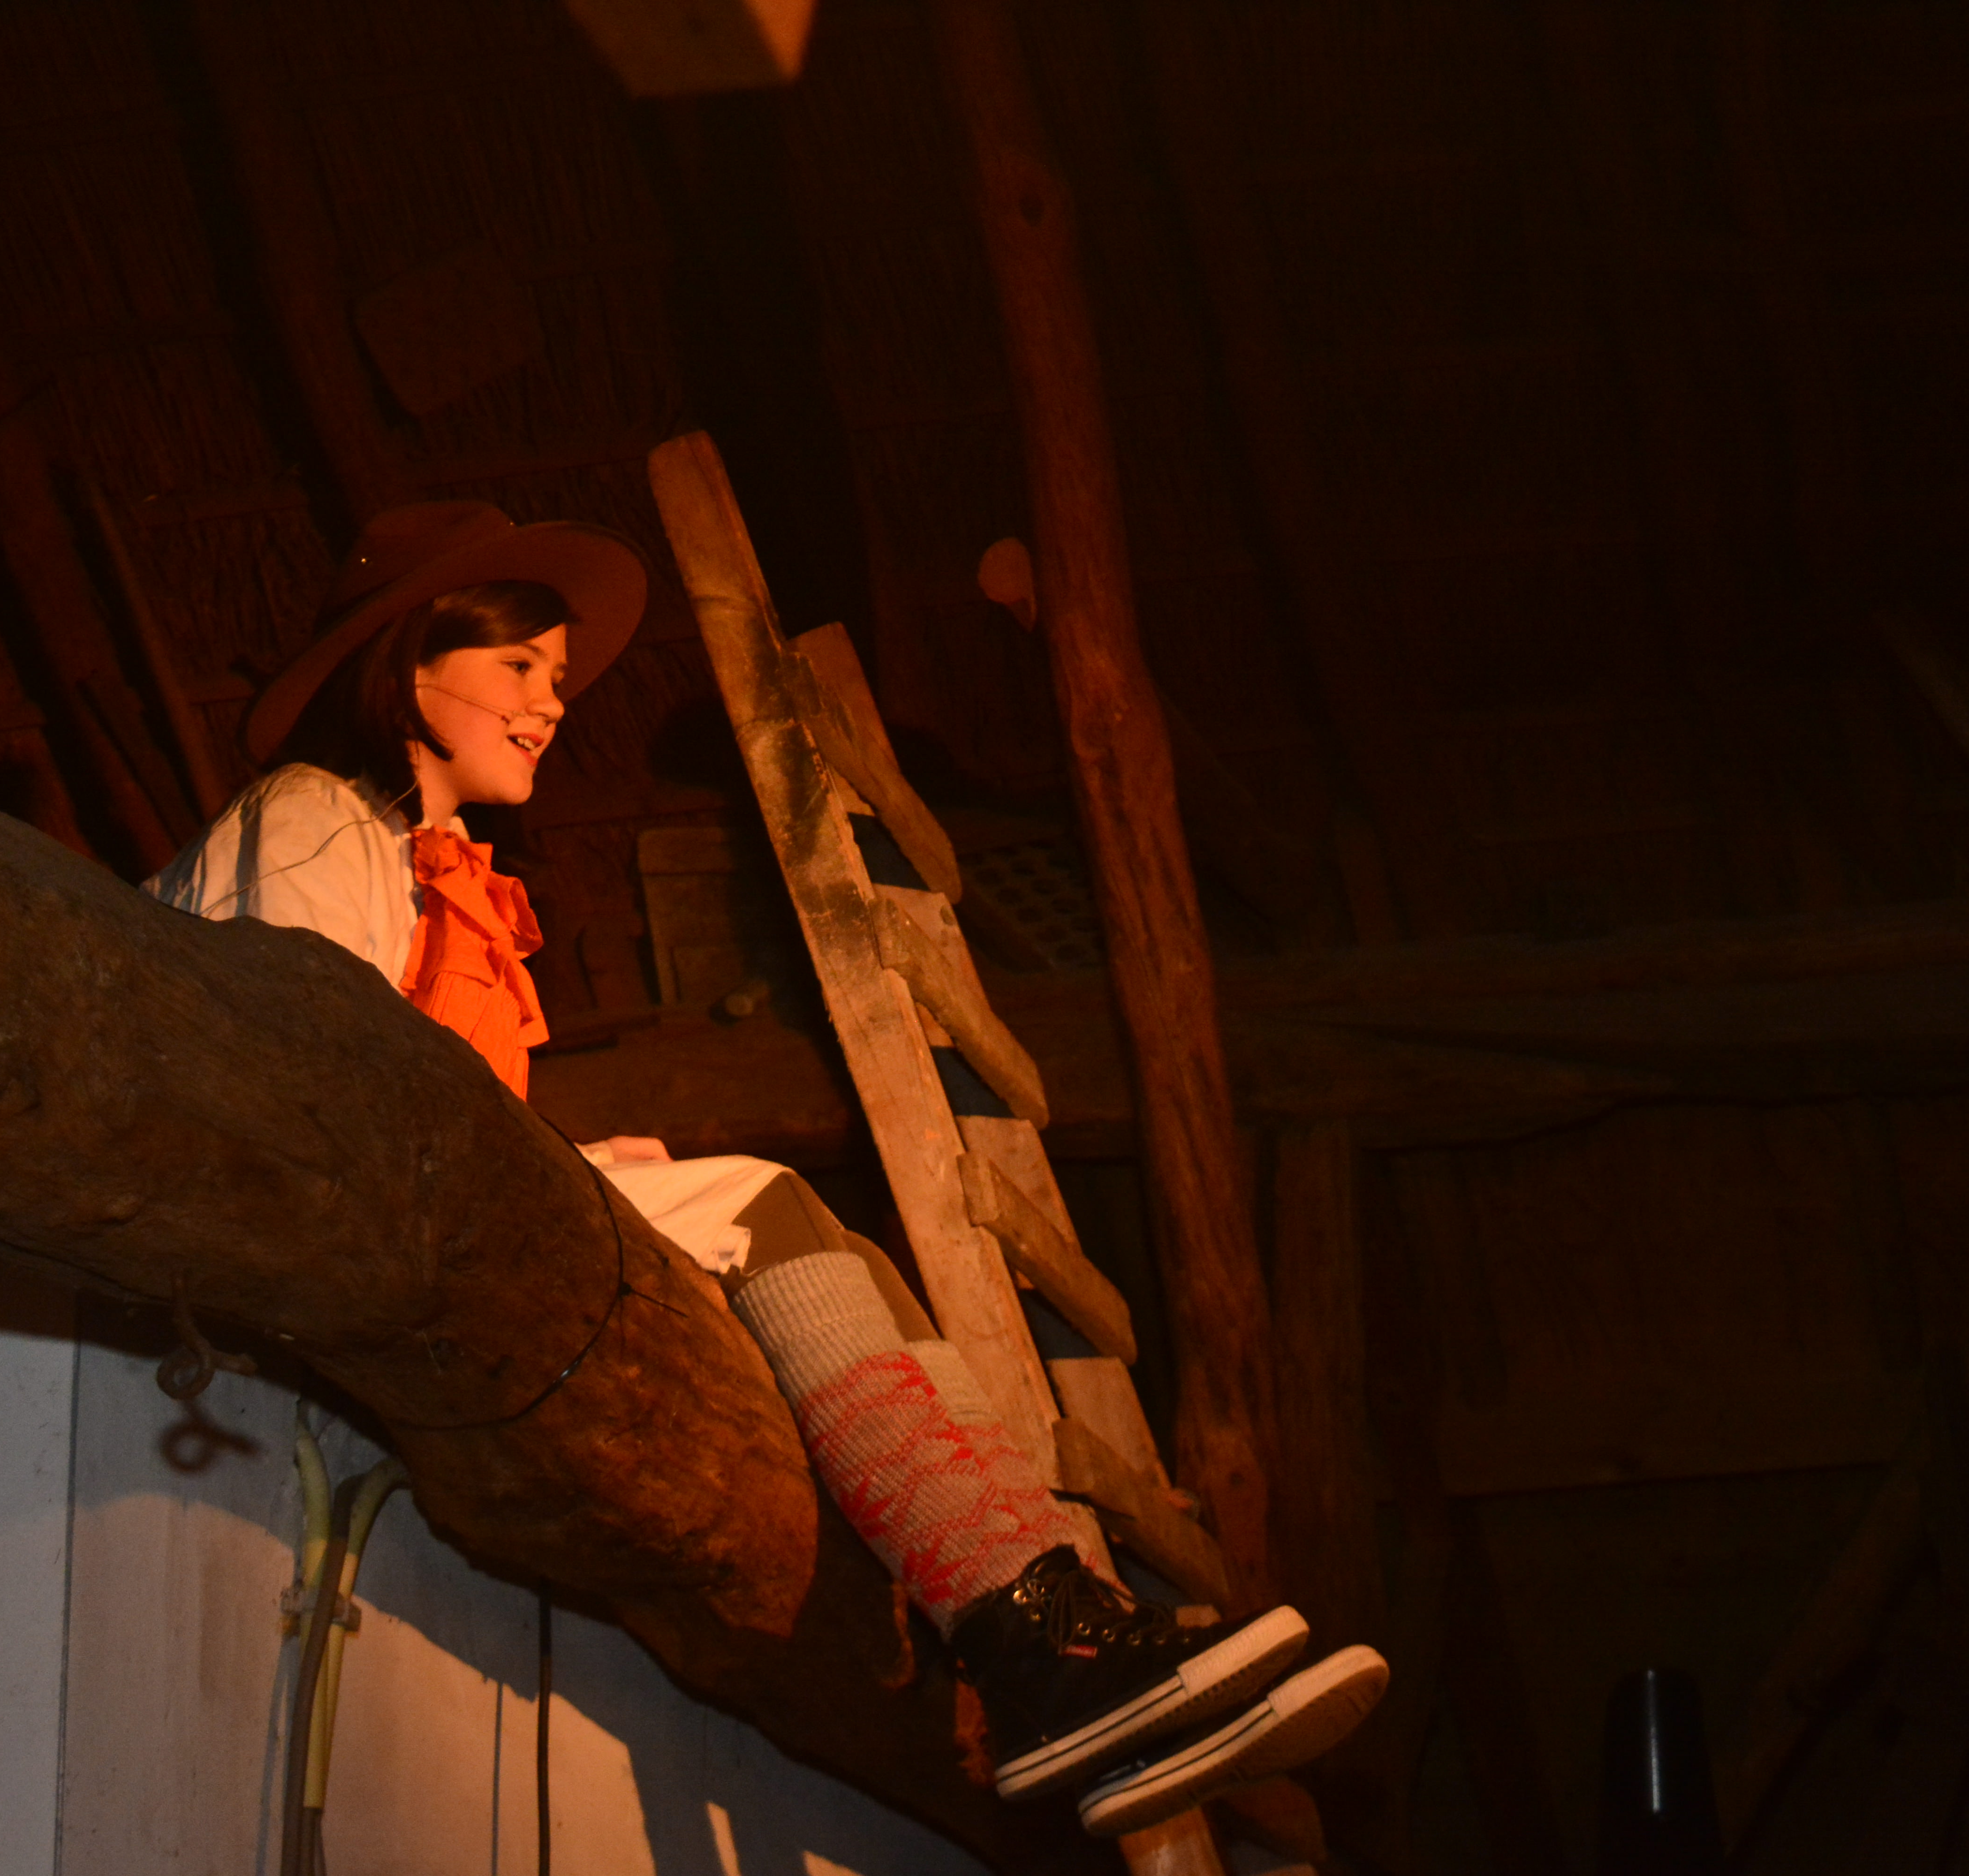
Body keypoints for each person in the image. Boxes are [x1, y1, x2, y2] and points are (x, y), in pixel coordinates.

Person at [146, 501, 1384, 1835]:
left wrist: (560, 1161)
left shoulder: (417, 859)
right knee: (762, 1203)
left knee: (842, 1262)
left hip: (430, 1206)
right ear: (408, 669)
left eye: (557, 675)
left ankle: (1065, 1622)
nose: (554, 703)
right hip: (338, 1237)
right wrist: (549, 1171)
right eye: (519, 667)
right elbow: (315, 1073)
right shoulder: (310, 815)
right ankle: (1044, 1641)